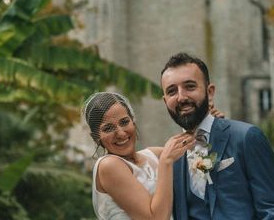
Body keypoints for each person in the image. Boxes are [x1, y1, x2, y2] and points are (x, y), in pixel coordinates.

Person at [160, 52, 274, 219]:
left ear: (210, 92)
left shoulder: (246, 137)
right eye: (172, 91)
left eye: (190, 86)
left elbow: (272, 212)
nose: (181, 97)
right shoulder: (171, 159)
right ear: (165, 101)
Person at [83, 91, 195, 219]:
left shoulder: (154, 154)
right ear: (96, 137)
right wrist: (165, 162)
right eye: (108, 128)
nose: (120, 133)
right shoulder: (108, 165)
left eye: (124, 122)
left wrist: (210, 121)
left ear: (133, 121)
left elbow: (198, 153)